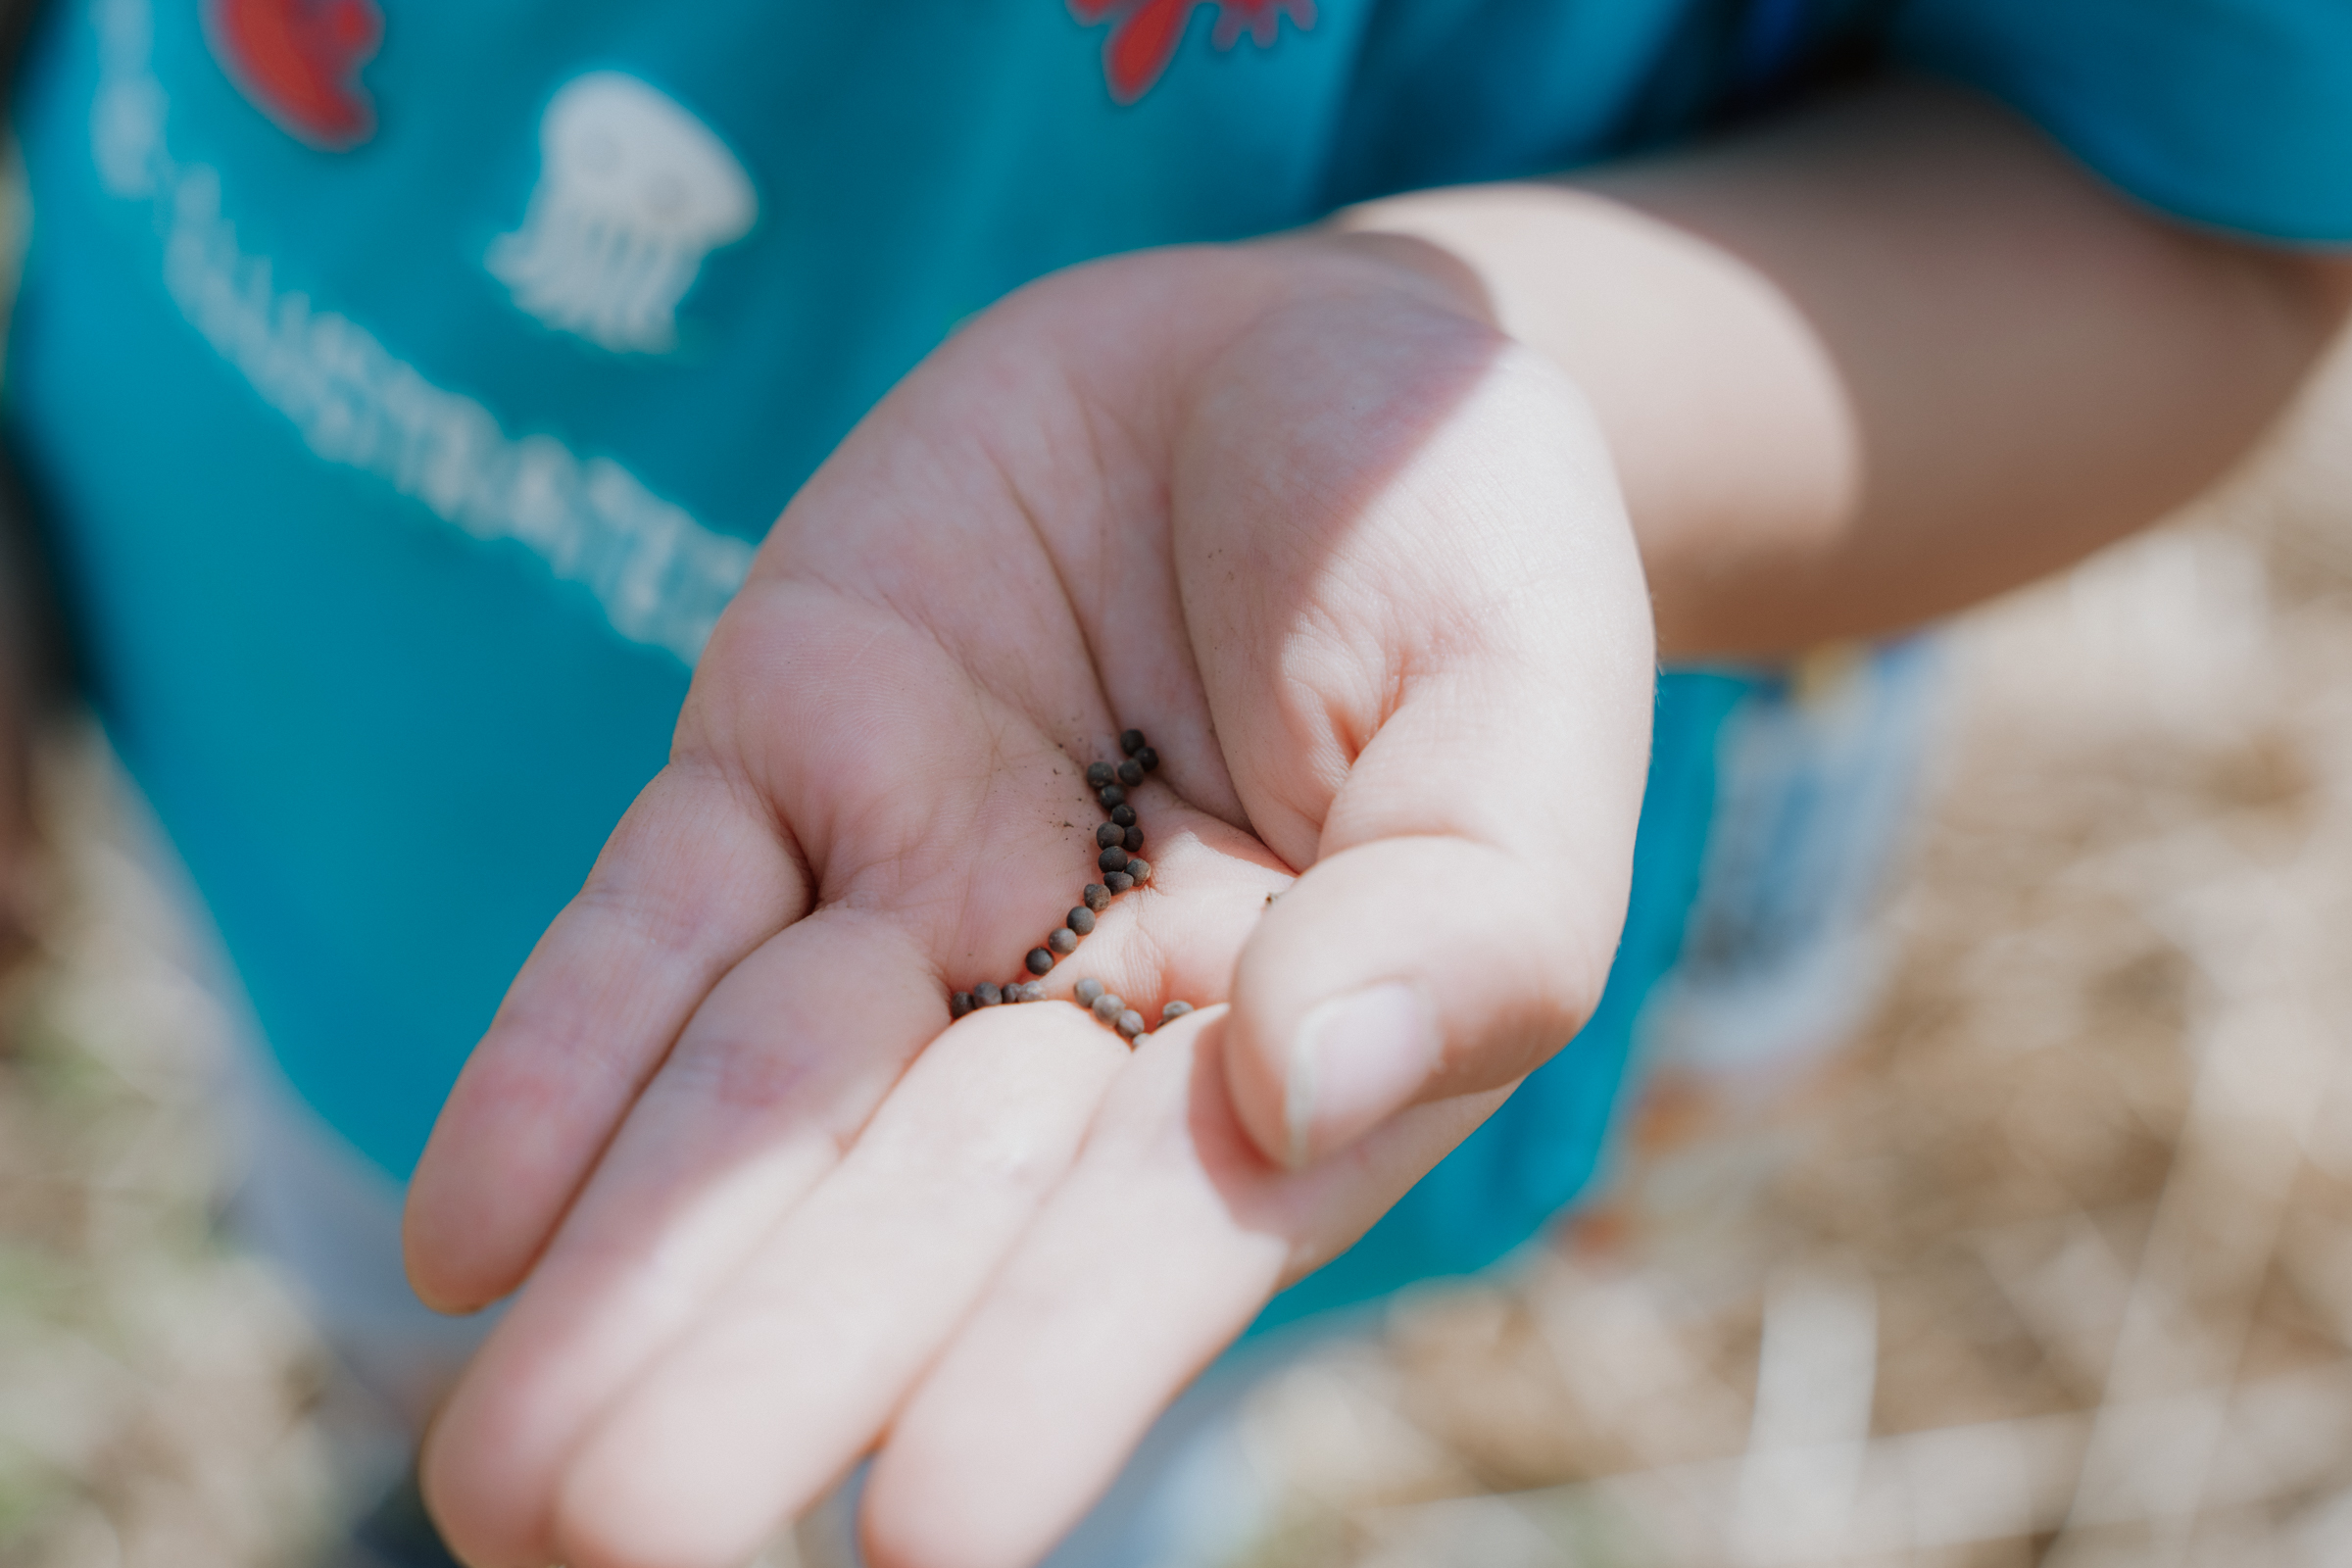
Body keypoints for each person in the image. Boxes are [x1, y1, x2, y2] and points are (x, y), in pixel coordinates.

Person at [4, 0, 2347, 1565]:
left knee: (974, 1421)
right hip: (278, 709)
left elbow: (2198, 210)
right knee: (435, 1273)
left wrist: (1482, 358)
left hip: (1107, 1035)